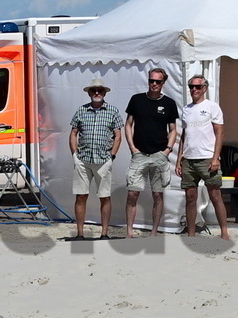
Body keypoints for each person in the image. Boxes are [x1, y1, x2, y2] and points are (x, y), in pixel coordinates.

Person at [124, 68, 178, 237]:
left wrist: (167, 150)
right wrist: (132, 148)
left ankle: (154, 232)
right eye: (151, 81)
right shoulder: (136, 100)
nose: (154, 84)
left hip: (159, 155)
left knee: (157, 195)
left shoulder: (169, 103)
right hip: (139, 154)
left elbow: (173, 129)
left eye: (158, 81)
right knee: (133, 193)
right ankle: (129, 231)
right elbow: (128, 125)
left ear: (163, 83)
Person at [68, 78, 123, 241]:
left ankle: (104, 233)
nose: (97, 93)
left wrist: (111, 156)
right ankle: (80, 233)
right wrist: (74, 155)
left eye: (100, 90)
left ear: (105, 93)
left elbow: (118, 135)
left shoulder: (112, 111)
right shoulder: (81, 111)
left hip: (103, 160)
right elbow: (73, 133)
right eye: (94, 90)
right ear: (89, 93)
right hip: (83, 160)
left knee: (105, 196)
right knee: (80, 196)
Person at [177, 74, 230, 240]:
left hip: (207, 158)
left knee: (215, 195)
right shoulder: (186, 109)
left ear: (204, 89)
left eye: (197, 87)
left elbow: (219, 132)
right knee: (190, 197)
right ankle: (191, 234)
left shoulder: (212, 107)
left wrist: (216, 158)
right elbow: (184, 136)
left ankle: (224, 233)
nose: (194, 89)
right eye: (191, 86)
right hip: (189, 159)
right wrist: (179, 160)